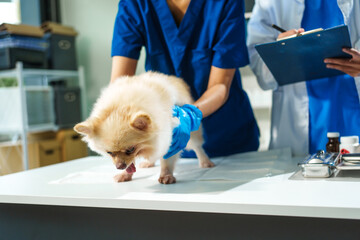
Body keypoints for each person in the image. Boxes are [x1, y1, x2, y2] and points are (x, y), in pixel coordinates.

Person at [111, 0, 260, 158]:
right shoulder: (135, 4)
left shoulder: (224, 3)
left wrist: (187, 116)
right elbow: (119, 86)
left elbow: (220, 86)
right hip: (165, 146)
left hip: (227, 138)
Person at [247, 0, 360, 156]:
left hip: (351, 115)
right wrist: (280, 52)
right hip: (298, 127)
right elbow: (261, 73)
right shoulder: (271, 3)